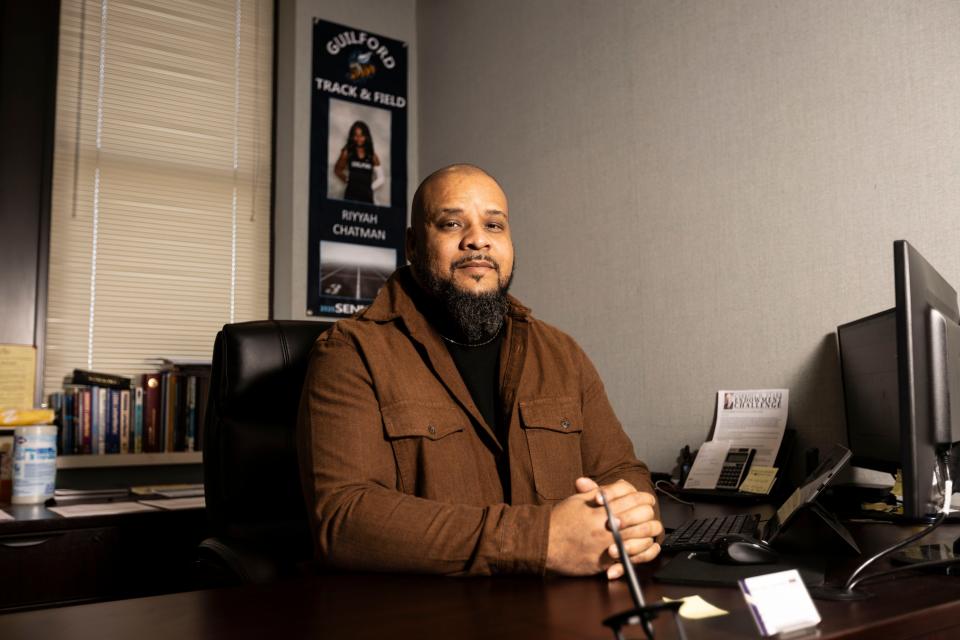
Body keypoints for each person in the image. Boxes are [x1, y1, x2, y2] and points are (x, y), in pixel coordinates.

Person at [297, 164, 662, 579]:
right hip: (427, 616)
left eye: (494, 224)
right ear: (413, 246)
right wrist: (542, 540)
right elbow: (344, 519)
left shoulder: (561, 352)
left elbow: (623, 472)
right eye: (452, 223)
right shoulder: (350, 352)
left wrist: (629, 522)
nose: (478, 239)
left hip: (567, 610)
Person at [334, 120, 383, 204]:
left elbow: (381, 178)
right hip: (350, 197)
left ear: (366, 136)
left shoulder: (372, 155)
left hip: (367, 198)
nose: (359, 138)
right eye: (356, 135)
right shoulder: (347, 152)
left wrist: (369, 187)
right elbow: (337, 170)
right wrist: (349, 181)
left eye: (361, 135)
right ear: (352, 136)